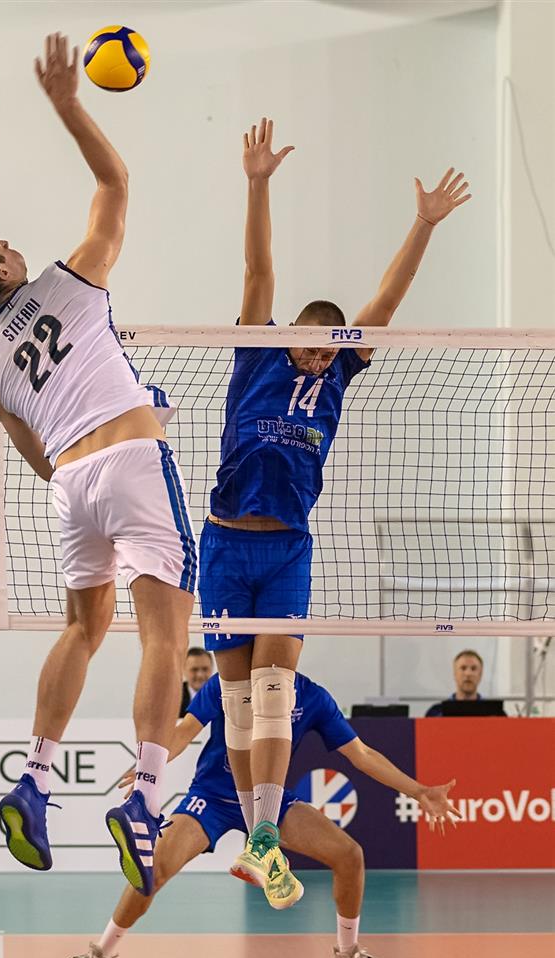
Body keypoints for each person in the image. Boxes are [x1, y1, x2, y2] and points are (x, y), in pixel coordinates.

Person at [0, 34, 196, 897]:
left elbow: (43, 462)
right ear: (4, 264)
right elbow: (116, 184)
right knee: (164, 636)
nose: (15, 245)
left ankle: (34, 780)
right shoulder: (68, 282)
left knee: (84, 630)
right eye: (5, 242)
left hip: (72, 489)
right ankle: (144, 796)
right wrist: (66, 103)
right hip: (130, 461)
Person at [199, 116, 471, 904]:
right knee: (235, 699)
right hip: (225, 543)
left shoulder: (341, 374)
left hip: (287, 547)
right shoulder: (257, 350)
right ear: (291, 334)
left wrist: (422, 225)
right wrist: (257, 184)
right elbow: (258, 267)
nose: (321, 356)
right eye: (313, 344)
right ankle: (256, 832)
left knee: (274, 690)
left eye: (331, 347)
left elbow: (384, 299)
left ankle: (262, 840)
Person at [52, 670, 459, 958]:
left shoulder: (312, 697)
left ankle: (347, 954)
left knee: (349, 855)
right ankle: (100, 954)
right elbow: (185, 730)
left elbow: (362, 754)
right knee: (152, 870)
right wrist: (150, 768)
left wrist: (419, 790)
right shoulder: (225, 683)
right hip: (212, 797)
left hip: (270, 801)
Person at [426, 649, 485, 717]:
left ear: (480, 674)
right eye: (463, 668)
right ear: (455, 673)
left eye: (473, 669)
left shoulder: (491, 713)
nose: (468, 673)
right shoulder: (436, 713)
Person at [179, 647, 214, 717]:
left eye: (205, 669)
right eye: (194, 669)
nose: (200, 675)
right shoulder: (174, 696)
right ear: (183, 670)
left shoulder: (222, 695)